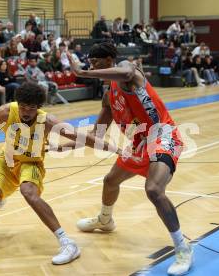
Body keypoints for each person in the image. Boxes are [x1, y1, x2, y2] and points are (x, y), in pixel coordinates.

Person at [0, 81, 120, 265]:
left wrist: (115, 148)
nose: (26, 112)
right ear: (18, 103)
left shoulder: (47, 121)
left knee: (28, 193)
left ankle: (67, 243)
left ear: (39, 107)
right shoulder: (5, 112)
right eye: (23, 106)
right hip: (6, 161)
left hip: (31, 164)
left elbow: (83, 137)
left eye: (31, 108)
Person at [63, 43, 193, 276]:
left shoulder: (127, 71)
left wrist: (82, 72)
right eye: (90, 62)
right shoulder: (108, 96)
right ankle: (105, 220)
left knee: (153, 189)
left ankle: (182, 247)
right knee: (110, 181)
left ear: (110, 59)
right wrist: (63, 146)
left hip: (163, 135)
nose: (93, 65)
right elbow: (97, 134)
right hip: (139, 144)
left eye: (97, 62)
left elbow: (125, 73)